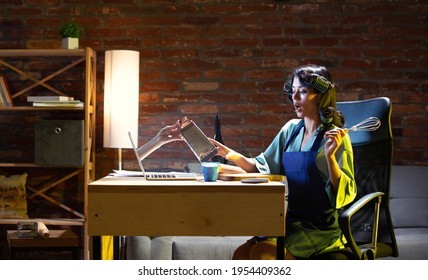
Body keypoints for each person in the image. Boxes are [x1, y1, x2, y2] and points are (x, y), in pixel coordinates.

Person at [210, 64, 357, 260]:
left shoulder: (336, 139)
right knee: (241, 254)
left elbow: (344, 197)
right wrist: (230, 154)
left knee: (262, 253)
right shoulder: (291, 129)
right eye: (293, 91)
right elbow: (262, 167)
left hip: (318, 230)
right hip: (288, 221)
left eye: (303, 92)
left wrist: (330, 158)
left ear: (321, 96)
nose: (294, 98)